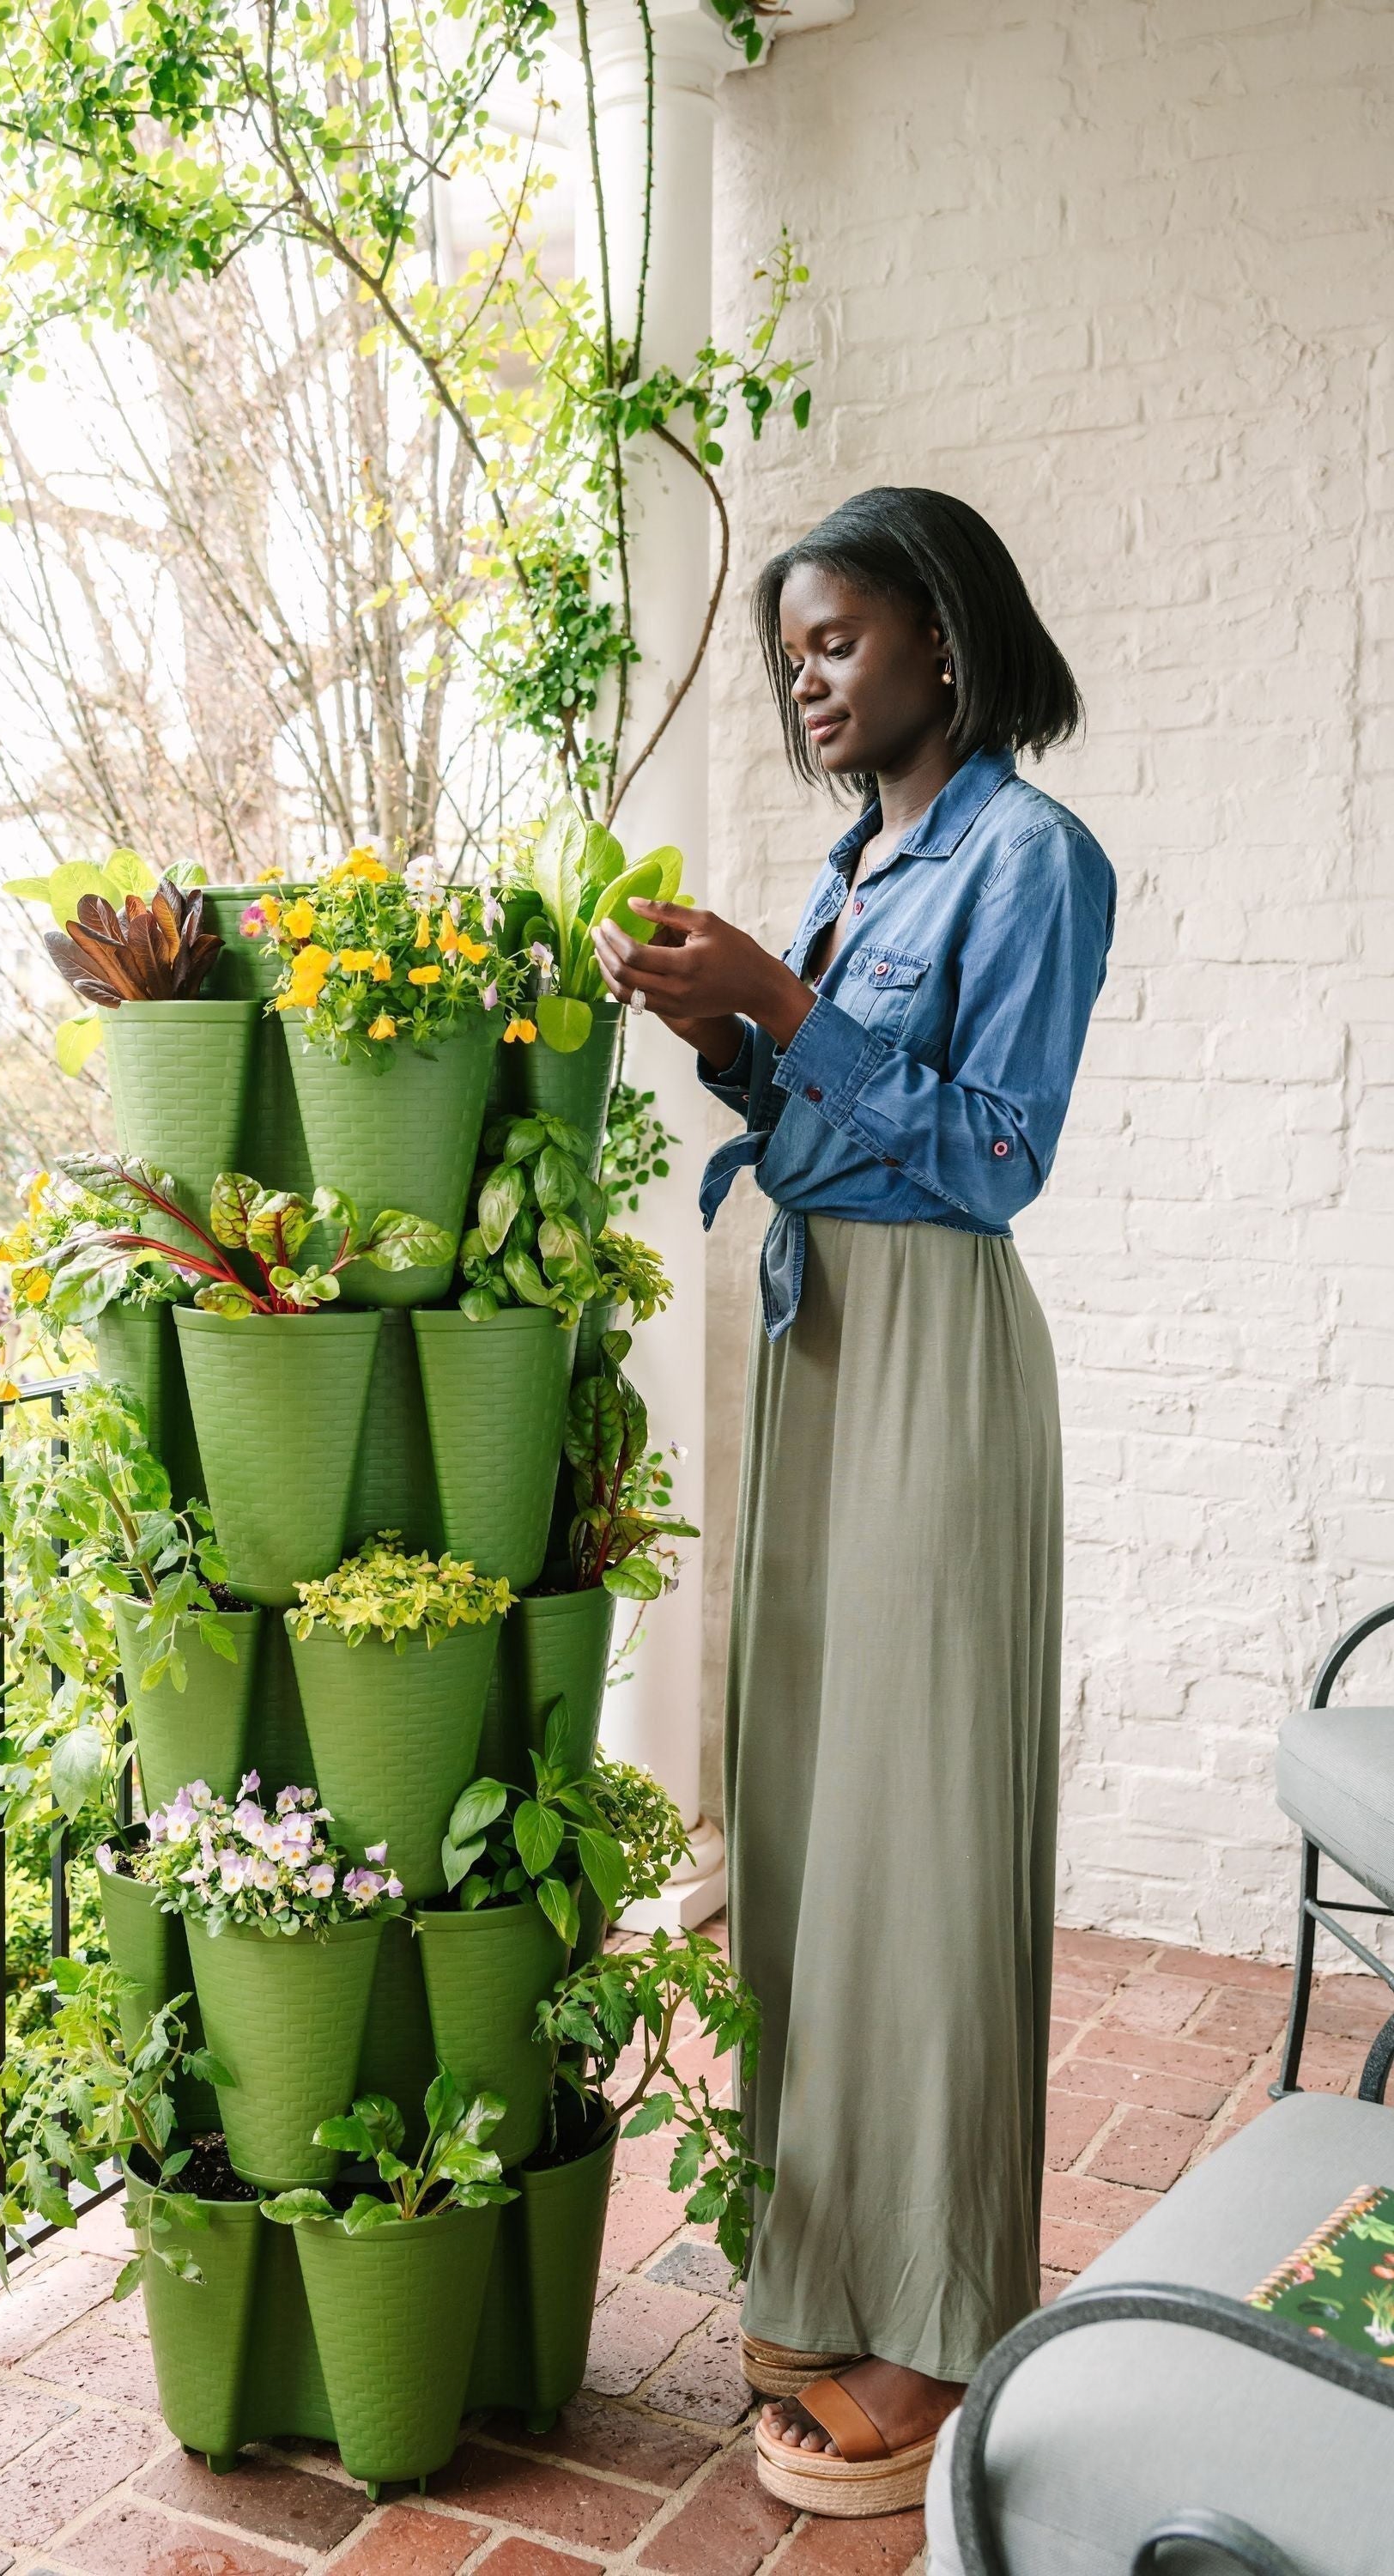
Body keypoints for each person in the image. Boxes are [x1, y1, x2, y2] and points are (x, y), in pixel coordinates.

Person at [591, 487, 1115, 2520]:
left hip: (931, 1356)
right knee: (808, 1816)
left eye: (833, 642)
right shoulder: (855, 864)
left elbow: (992, 1154)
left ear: (944, 646)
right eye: (788, 652)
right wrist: (736, 1026)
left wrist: (787, 1012)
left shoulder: (1030, 858)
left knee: (918, 1834)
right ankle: (831, 2253)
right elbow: (823, 1105)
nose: (805, 680)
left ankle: (936, 2321)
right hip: (820, 1347)